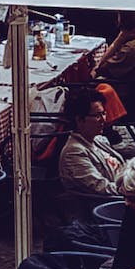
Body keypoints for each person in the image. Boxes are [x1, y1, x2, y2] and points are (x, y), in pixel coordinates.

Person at [50, 79, 126, 222]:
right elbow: (100, 187)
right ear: (80, 120)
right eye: (97, 116)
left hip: (126, 195)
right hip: (109, 209)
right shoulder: (74, 153)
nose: (103, 119)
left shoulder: (98, 139)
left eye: (103, 113)